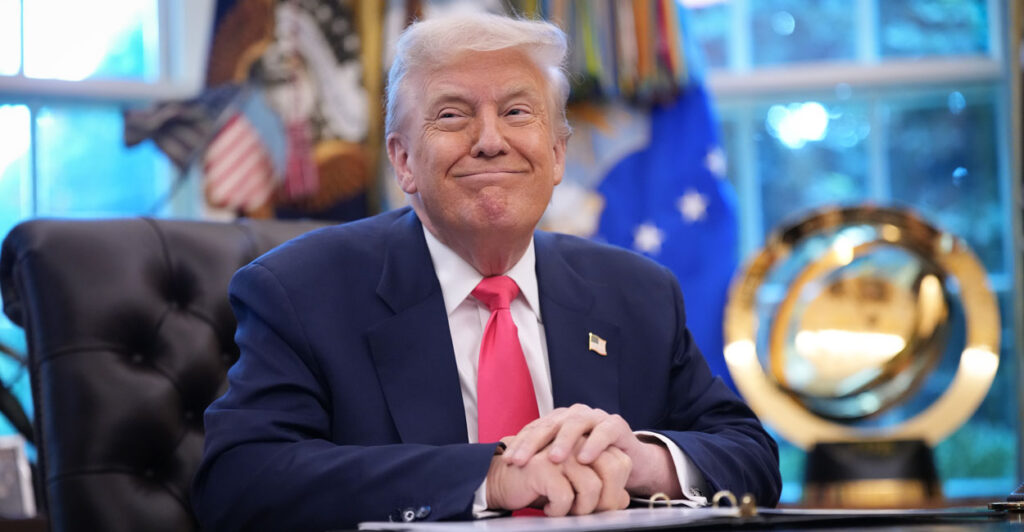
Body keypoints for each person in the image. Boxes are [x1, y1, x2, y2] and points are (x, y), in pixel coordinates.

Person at [192, 12, 780, 531]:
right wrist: (490, 478)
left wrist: (643, 458)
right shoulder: (300, 290)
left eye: (517, 112)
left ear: (556, 156)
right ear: (403, 160)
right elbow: (240, 481)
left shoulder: (638, 292)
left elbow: (750, 455)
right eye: (452, 115)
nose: (490, 141)